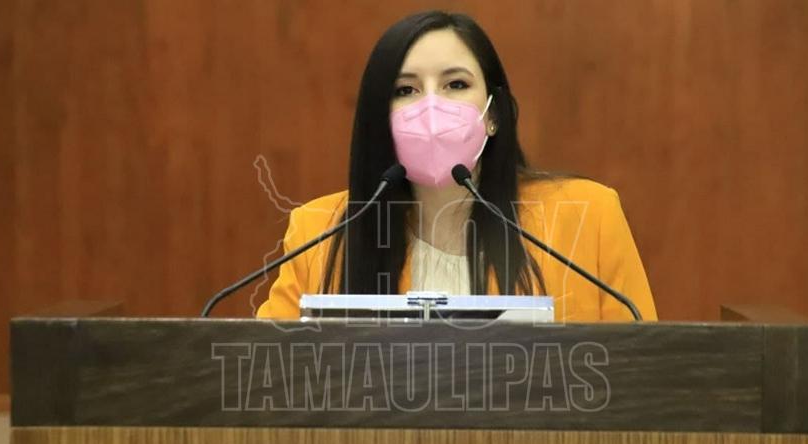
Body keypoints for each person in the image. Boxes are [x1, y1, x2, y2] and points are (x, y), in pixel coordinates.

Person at [256, 11, 657, 322]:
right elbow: (269, 376)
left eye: (456, 84)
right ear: (379, 119)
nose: (431, 106)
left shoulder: (589, 218)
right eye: (405, 89)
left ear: (493, 114)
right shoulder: (320, 234)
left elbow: (643, 373)